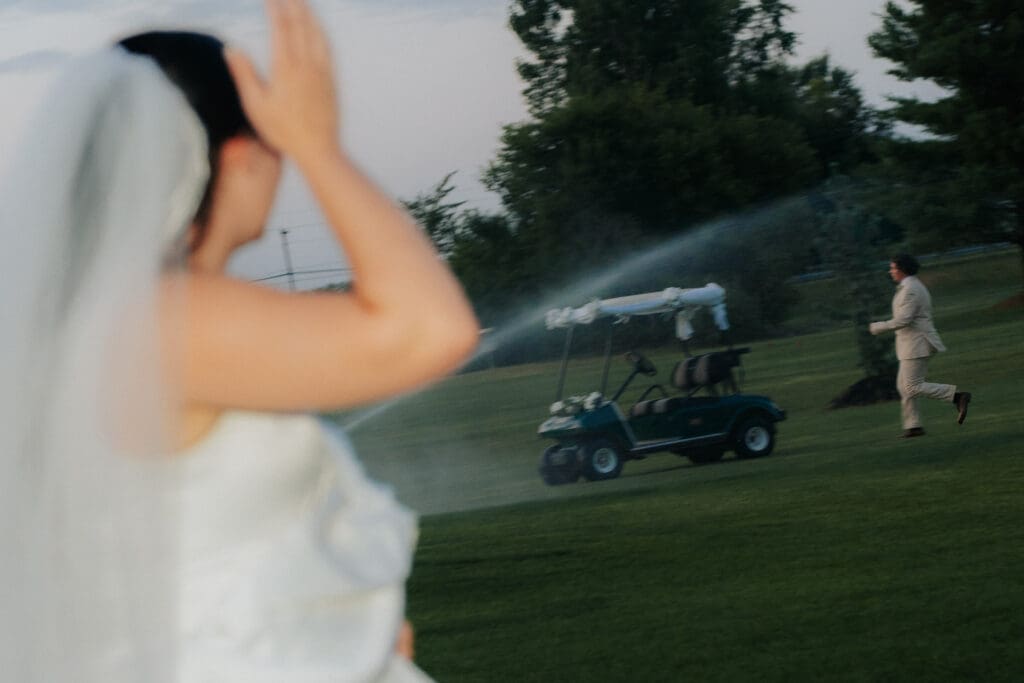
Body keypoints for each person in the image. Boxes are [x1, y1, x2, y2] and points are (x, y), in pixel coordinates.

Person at [0, 0, 477, 680]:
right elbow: (429, 330)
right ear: (239, 155)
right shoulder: (166, 320)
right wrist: (319, 144)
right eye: (271, 139)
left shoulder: (92, 323)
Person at [869, 253, 970, 438]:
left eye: (893, 268)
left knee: (912, 386)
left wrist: (878, 327)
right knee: (903, 386)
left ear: (902, 270)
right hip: (911, 344)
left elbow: (904, 319)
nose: (890, 271)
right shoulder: (908, 287)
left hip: (917, 344)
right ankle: (913, 426)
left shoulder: (911, 289)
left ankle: (957, 396)